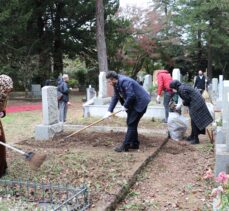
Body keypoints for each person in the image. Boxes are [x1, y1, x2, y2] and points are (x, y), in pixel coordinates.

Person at [104, 71, 151, 152]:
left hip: (140, 102)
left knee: (131, 123)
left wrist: (125, 106)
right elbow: (115, 96)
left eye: (109, 81)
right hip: (133, 102)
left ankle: (125, 146)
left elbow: (131, 95)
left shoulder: (125, 81)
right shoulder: (116, 83)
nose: (109, 83)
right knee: (131, 123)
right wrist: (109, 111)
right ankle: (134, 144)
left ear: (113, 79)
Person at [169, 80, 213, 144]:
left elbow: (187, 99)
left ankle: (195, 139)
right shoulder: (182, 86)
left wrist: (182, 104)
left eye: (172, 88)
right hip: (197, 101)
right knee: (193, 120)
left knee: (195, 121)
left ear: (175, 87)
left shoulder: (181, 89)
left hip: (196, 103)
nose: (172, 90)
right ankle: (192, 136)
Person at [0, 75, 13, 178]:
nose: (8, 90)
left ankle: (2, 167)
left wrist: (2, 113)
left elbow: (2, 109)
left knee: (2, 143)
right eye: (6, 87)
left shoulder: (4, 96)